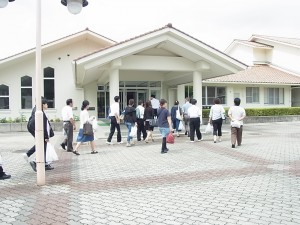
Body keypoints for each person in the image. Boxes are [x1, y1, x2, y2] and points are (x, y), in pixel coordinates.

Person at [24, 98, 55, 172]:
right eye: (46, 104)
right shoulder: (39, 112)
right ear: (42, 104)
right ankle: (37, 162)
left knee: (41, 145)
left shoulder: (38, 110)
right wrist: (45, 136)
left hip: (38, 131)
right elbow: (43, 126)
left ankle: (41, 162)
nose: (47, 105)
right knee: (42, 145)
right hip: (39, 132)